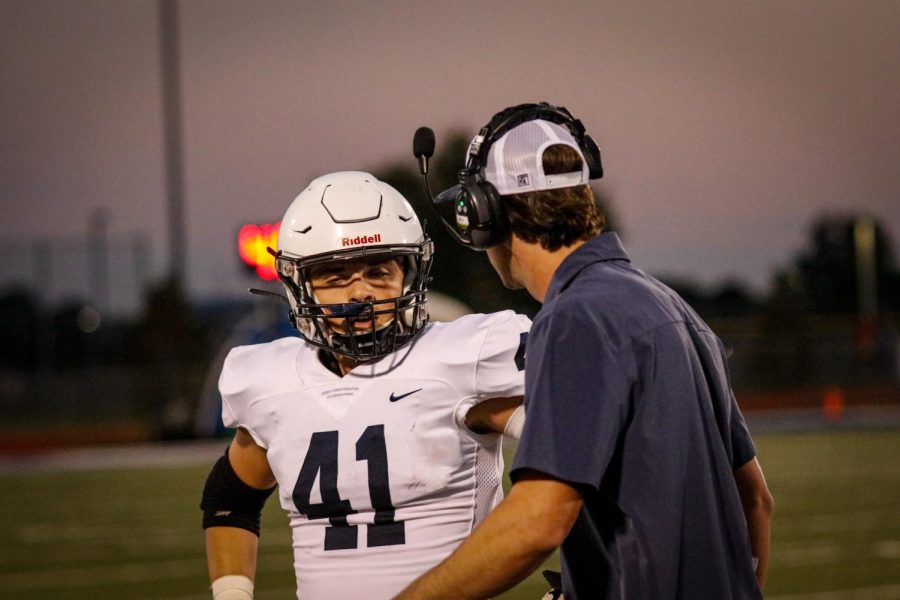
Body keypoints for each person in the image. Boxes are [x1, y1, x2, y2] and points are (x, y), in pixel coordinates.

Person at [397, 103, 774, 599]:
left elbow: (539, 519)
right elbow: (757, 501)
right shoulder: (672, 307)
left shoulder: (577, 316)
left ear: (485, 212)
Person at [201, 171, 530, 600]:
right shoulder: (273, 382)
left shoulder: (459, 359)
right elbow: (231, 496)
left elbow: (585, 455)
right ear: (300, 286)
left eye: (378, 271)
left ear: (410, 273)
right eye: (336, 276)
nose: (361, 292)